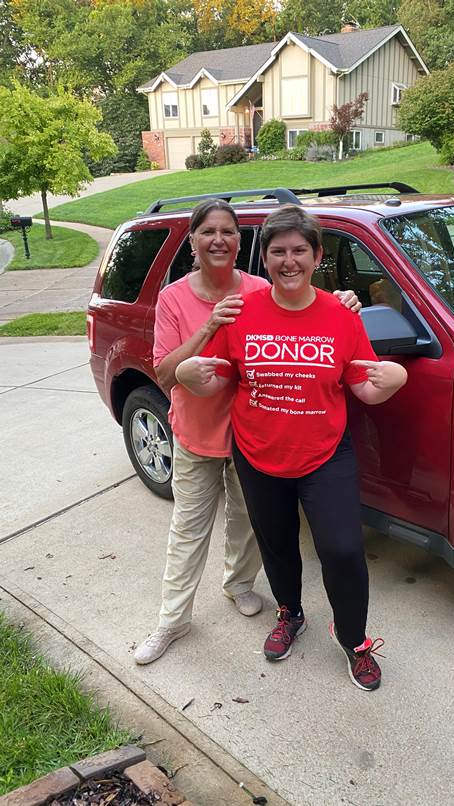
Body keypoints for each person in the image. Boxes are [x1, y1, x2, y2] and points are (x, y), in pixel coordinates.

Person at [175, 205, 407, 690]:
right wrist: (191, 375)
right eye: (277, 251)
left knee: (342, 550)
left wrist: (391, 381)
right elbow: (218, 378)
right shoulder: (241, 313)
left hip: (325, 454)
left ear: (316, 255)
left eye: (299, 250)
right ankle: (289, 613)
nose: (288, 260)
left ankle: (354, 640)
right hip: (257, 453)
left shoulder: (340, 315)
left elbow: (362, 386)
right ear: (265, 259)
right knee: (276, 545)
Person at [134, 199, 360, 665]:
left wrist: (343, 301)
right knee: (189, 529)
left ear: (241, 243)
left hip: (252, 438)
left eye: (229, 232)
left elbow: (302, 307)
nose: (219, 239)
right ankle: (172, 621)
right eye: (207, 231)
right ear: (192, 242)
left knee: (250, 528)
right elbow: (165, 373)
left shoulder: (261, 286)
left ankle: (239, 584)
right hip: (198, 434)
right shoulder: (176, 298)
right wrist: (210, 326)